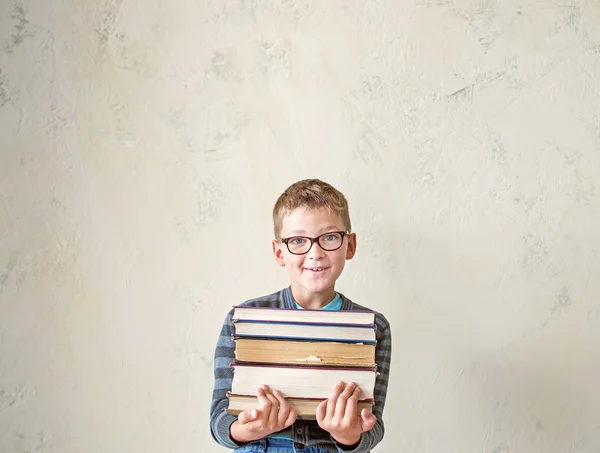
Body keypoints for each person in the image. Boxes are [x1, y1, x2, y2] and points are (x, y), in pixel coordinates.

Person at [210, 178, 392, 453]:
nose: (315, 253)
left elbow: (373, 426)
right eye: (298, 240)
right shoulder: (243, 320)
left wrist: (348, 435)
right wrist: (249, 429)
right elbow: (219, 422)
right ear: (279, 251)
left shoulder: (372, 327)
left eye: (330, 237)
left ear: (350, 245)